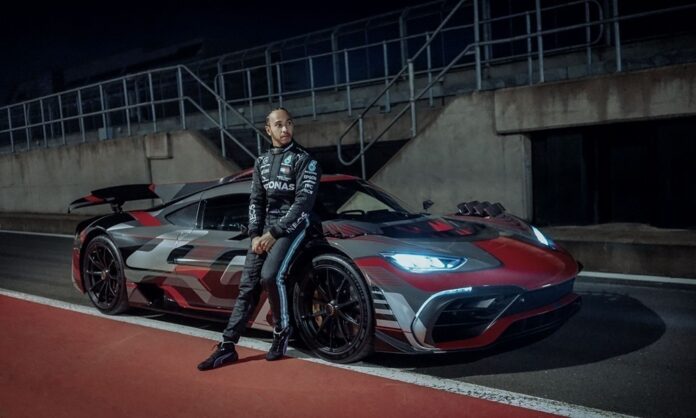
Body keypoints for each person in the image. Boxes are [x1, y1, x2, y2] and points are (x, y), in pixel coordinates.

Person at [198, 108, 321, 371]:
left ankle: (282, 331)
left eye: (289, 123)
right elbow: (256, 201)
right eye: (279, 125)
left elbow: (303, 203)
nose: (285, 129)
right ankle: (227, 346)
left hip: (295, 225)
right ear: (268, 130)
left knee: (270, 275)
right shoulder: (261, 162)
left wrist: (274, 233)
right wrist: (255, 234)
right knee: (247, 287)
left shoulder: (305, 161)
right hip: (265, 229)